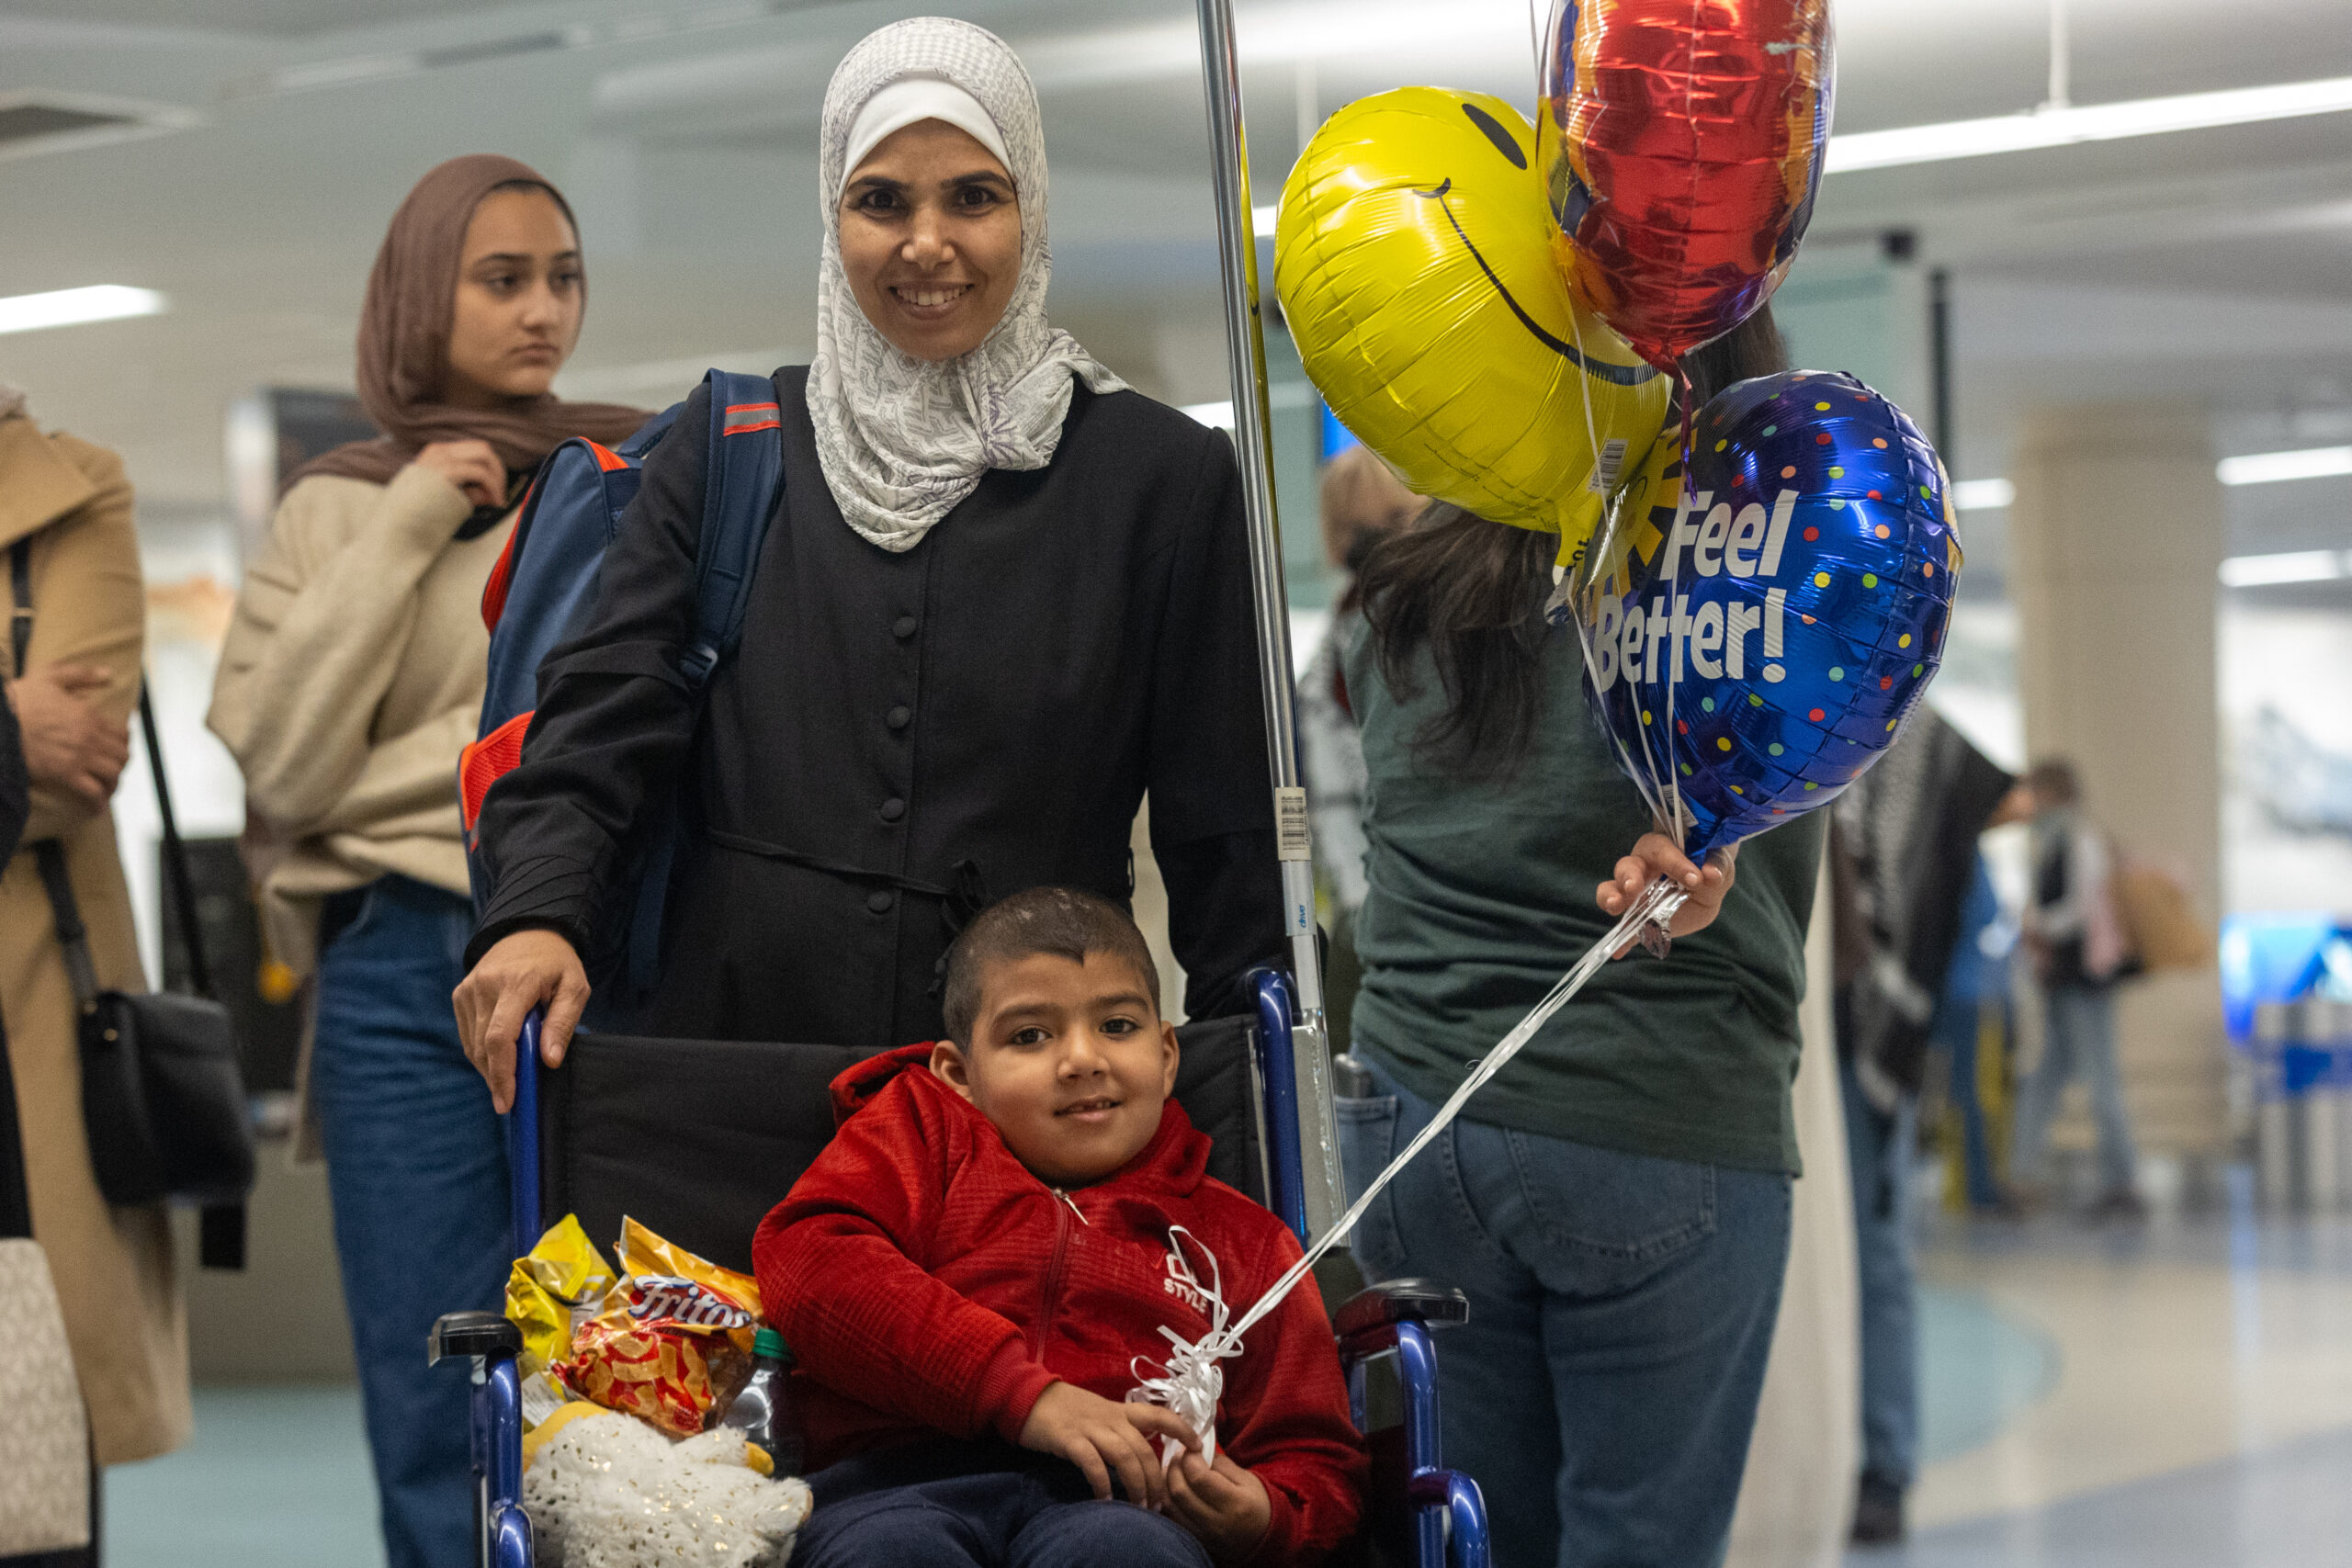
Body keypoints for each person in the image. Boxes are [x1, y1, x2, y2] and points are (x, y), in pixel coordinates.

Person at [456, 18, 1281, 1104]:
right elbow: (601, 723)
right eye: (881, 200)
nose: (925, 244)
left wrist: (1244, 1099)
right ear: (832, 214)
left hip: (1026, 1097)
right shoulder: (731, 444)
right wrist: (535, 914)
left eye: (974, 198)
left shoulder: (1161, 478)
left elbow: (1223, 826)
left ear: (1030, 210)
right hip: (734, 1079)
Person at [206, 156, 647, 1568]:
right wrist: (409, 519)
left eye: (562, 277)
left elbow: (622, 733)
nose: (542, 312)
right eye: (501, 279)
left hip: (600, 948)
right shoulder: (338, 504)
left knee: (629, 1363)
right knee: (430, 1379)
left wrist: (415, 769)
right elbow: (278, 760)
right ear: (419, 295)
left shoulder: (630, 473)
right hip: (403, 966)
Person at [1333, 310, 1813, 1568]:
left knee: (1472, 1540)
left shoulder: (1400, 591)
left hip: (1413, 1119)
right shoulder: (1756, 581)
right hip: (1651, 1100)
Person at [753, 886, 1365, 1568]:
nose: (1082, 1059)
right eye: (1030, 1036)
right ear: (958, 1072)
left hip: (1122, 1508)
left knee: (1127, 1555)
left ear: (1167, 1056)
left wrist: (1269, 1514)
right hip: (894, 1485)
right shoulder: (920, 1136)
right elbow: (811, 1260)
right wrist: (1025, 1394)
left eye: (1118, 1026)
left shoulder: (1242, 1238)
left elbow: (1318, 1458)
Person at [0, 382, 187, 1488]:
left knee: (32, 1450)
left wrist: (24, 742)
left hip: (27, 1034)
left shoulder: (69, 488)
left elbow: (74, 769)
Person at [1826, 711, 2020, 1546]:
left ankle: (1884, 1465)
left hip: (1866, 1025)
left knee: (1878, 1251)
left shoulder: (1890, 717)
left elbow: (1982, 793)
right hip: (1774, 1021)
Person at [1296, 445, 1420, 1052]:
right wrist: (1365, 900)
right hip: (1376, 914)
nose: (1399, 542)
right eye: (1381, 527)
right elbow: (1332, 798)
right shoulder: (1338, 652)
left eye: (1405, 520)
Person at [2009, 758, 2144, 1220]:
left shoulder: (2080, 841)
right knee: (2048, 1073)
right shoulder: (2049, 843)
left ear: (2055, 794)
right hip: (2060, 980)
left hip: (2086, 981)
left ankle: (2122, 1183)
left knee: (2099, 1076)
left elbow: (2079, 909)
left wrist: (2039, 927)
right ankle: (2022, 1174)